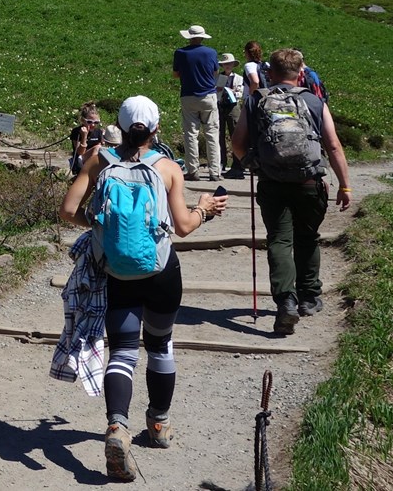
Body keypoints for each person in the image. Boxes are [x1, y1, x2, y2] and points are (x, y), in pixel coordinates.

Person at [60, 96, 228, 481]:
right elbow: (183, 226)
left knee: (121, 351)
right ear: (155, 129)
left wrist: (101, 226)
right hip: (161, 273)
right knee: (160, 344)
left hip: (116, 273)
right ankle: (158, 424)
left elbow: (68, 211)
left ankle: (117, 427)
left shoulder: (99, 161)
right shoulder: (168, 168)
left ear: (118, 124)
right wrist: (204, 208)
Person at [232, 48, 353, 335]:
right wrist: (345, 185)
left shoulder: (256, 101)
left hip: (272, 183)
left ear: (269, 73)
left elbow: (238, 142)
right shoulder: (314, 101)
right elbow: (333, 145)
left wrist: (254, 163)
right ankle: (309, 298)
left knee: (279, 240)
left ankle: (286, 300)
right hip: (309, 182)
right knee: (308, 237)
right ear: (301, 73)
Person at [173, 25, 220, 181]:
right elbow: (215, 73)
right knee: (212, 134)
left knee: (190, 134)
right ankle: (215, 171)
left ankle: (193, 170)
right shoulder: (211, 52)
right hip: (208, 95)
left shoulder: (180, 53)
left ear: (189, 37)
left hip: (189, 95)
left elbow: (175, 74)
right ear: (202, 37)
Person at [217, 53, 246, 178]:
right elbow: (216, 92)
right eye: (225, 64)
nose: (227, 66)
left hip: (233, 106)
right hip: (220, 105)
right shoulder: (218, 77)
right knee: (219, 134)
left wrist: (232, 91)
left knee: (234, 132)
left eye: (229, 63)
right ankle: (221, 161)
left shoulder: (238, 78)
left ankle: (238, 163)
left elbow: (240, 92)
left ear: (233, 65)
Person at [68, 102, 104, 175]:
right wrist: (84, 136)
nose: (93, 125)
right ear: (83, 120)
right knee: (97, 148)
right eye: (89, 122)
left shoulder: (98, 132)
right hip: (80, 160)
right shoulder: (77, 132)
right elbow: (80, 152)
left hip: (93, 158)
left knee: (100, 148)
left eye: (96, 122)